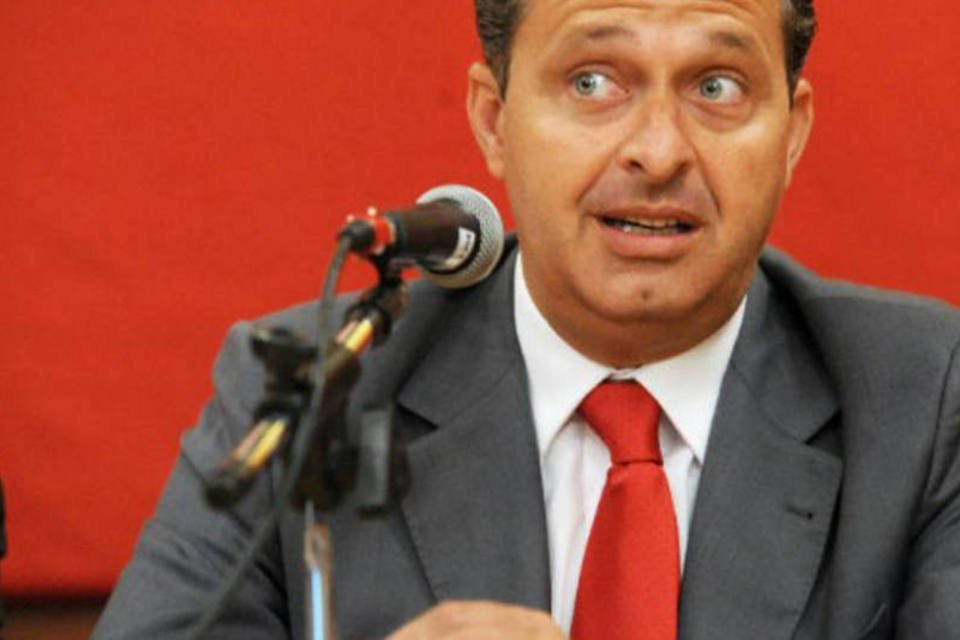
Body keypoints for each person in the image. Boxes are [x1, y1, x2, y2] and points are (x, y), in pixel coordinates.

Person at [94, 0, 960, 638]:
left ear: (792, 133)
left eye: (717, 86)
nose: (658, 151)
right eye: (592, 82)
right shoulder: (310, 386)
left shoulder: (924, 401)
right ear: (494, 121)